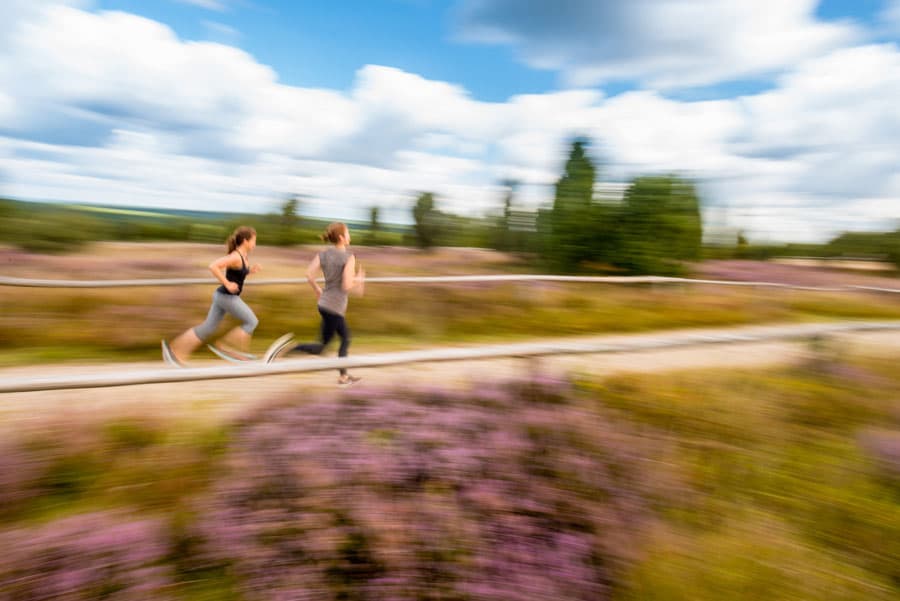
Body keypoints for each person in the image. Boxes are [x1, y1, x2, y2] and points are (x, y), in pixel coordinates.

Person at [265, 222, 365, 386]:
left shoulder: (323, 254)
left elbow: (308, 274)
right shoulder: (349, 257)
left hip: (325, 304)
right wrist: (358, 279)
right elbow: (346, 285)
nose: (349, 236)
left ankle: (343, 376)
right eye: (348, 233)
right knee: (325, 346)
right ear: (341, 237)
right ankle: (286, 350)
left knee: (343, 338)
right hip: (335, 307)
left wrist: (318, 290)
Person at [162, 226, 261, 366]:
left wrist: (250, 270)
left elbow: (238, 273)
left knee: (207, 328)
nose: (255, 245)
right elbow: (213, 266)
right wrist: (227, 283)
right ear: (245, 241)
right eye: (254, 241)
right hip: (227, 297)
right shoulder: (235, 256)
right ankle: (227, 348)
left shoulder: (243, 257)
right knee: (251, 321)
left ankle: (174, 351)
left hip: (222, 297)